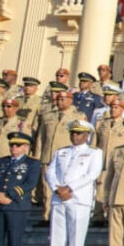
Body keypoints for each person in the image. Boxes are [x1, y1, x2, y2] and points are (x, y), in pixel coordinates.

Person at [33, 91, 85, 226]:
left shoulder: (78, 117)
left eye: (63, 99)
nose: (60, 101)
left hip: (67, 158)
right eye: (59, 98)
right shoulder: (48, 116)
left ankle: (63, 217)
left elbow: (83, 139)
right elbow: (40, 137)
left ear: (70, 100)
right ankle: (47, 216)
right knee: (47, 189)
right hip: (48, 155)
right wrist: (38, 156)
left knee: (64, 187)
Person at [0, 132, 41, 246]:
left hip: (17, 206)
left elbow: (29, 184)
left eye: (17, 145)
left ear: (26, 147)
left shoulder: (32, 163)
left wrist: (9, 196)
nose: (13, 148)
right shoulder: (2, 161)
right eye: (11, 144)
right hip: (0, 205)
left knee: (14, 239)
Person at [91, 97, 124, 228]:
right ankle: (98, 216)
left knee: (116, 189)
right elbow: (94, 143)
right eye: (112, 107)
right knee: (101, 188)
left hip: (118, 162)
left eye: (117, 107)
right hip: (102, 160)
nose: (113, 110)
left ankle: (113, 216)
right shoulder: (102, 124)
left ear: (122, 110)